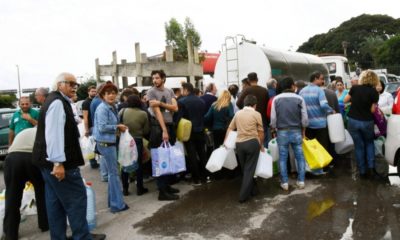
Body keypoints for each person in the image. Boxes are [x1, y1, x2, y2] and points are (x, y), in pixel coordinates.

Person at [32, 72, 106, 240]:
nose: (74, 87)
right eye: (70, 83)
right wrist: (58, 163)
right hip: (59, 163)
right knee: (76, 200)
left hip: (46, 162)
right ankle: (82, 236)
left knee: (55, 203)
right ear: (59, 85)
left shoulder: (56, 100)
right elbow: (54, 134)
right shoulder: (57, 102)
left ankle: (59, 237)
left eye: (75, 84)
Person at [3, 128, 48, 240]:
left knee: (12, 197)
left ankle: (10, 233)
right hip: (31, 158)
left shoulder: (25, 131)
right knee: (41, 190)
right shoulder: (45, 131)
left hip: (12, 159)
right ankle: (44, 224)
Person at [93, 82, 129, 213]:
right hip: (105, 144)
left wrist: (118, 128)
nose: (112, 95)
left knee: (112, 174)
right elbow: (102, 127)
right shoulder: (103, 108)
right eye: (108, 93)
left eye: (114, 93)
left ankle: (113, 202)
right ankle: (117, 205)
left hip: (108, 143)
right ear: (103, 95)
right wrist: (117, 127)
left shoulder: (111, 106)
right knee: (114, 174)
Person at [270, 77, 308, 191]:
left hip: (282, 131)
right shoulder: (299, 99)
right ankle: (301, 181)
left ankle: (285, 182)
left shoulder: (276, 99)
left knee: (282, 157)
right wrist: (303, 130)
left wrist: (274, 128)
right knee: (300, 157)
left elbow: (273, 119)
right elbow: (305, 119)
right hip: (296, 130)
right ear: (292, 86)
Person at [147, 69, 180, 201]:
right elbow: (157, 112)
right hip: (159, 127)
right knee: (161, 159)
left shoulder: (169, 91)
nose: (154, 80)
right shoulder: (151, 92)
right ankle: (162, 191)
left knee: (169, 157)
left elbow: (175, 108)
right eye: (153, 78)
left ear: (163, 78)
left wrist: (160, 103)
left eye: (157, 78)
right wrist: (164, 130)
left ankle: (166, 186)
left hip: (170, 126)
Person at [226, 94, 264, 203]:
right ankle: (243, 196)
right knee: (250, 170)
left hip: (239, 145)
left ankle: (254, 190)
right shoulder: (257, 114)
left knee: (245, 169)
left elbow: (230, 128)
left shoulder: (237, 114)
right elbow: (261, 132)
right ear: (255, 105)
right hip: (252, 143)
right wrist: (261, 145)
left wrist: (225, 142)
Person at [344, 70, 379, 179]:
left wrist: (353, 102)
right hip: (367, 121)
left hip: (353, 121)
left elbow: (345, 100)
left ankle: (362, 172)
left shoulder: (354, 88)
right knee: (369, 143)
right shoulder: (374, 92)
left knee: (359, 146)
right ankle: (371, 168)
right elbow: (373, 110)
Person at [299, 71, 334, 174]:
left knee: (312, 148)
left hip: (308, 125)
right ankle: (323, 168)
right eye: (321, 79)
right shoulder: (319, 91)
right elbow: (323, 105)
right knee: (322, 147)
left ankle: (313, 168)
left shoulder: (302, 91)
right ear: (315, 78)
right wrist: (331, 110)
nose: (323, 81)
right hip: (320, 124)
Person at [119, 95, 150, 196]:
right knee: (138, 165)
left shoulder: (122, 111)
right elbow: (146, 130)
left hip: (124, 141)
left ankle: (125, 189)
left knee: (125, 163)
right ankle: (139, 188)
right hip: (137, 141)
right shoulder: (143, 114)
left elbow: (118, 125)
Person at [178, 83, 207, 185]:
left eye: (182, 89)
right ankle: (205, 177)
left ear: (186, 90)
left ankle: (196, 179)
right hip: (201, 130)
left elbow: (179, 118)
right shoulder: (201, 101)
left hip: (188, 132)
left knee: (192, 156)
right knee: (202, 154)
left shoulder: (181, 102)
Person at [236, 72, 269, 147]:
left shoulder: (247, 90)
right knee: (263, 141)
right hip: (262, 119)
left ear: (248, 80)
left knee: (252, 140)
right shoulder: (264, 90)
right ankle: (264, 157)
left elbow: (238, 103)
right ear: (257, 79)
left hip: (250, 119)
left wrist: (246, 109)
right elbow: (268, 105)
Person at [90, 82, 109, 182]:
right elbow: (103, 124)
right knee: (105, 155)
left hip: (98, 131)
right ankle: (105, 175)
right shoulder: (99, 102)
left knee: (103, 155)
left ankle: (105, 174)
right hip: (102, 133)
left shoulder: (95, 100)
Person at [82, 85, 99, 169]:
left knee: (95, 145)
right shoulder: (86, 102)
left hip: (96, 126)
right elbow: (85, 117)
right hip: (91, 127)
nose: (94, 93)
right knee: (91, 145)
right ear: (88, 92)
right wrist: (87, 129)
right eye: (92, 91)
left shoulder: (97, 101)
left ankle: (96, 161)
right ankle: (93, 162)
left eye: (95, 91)